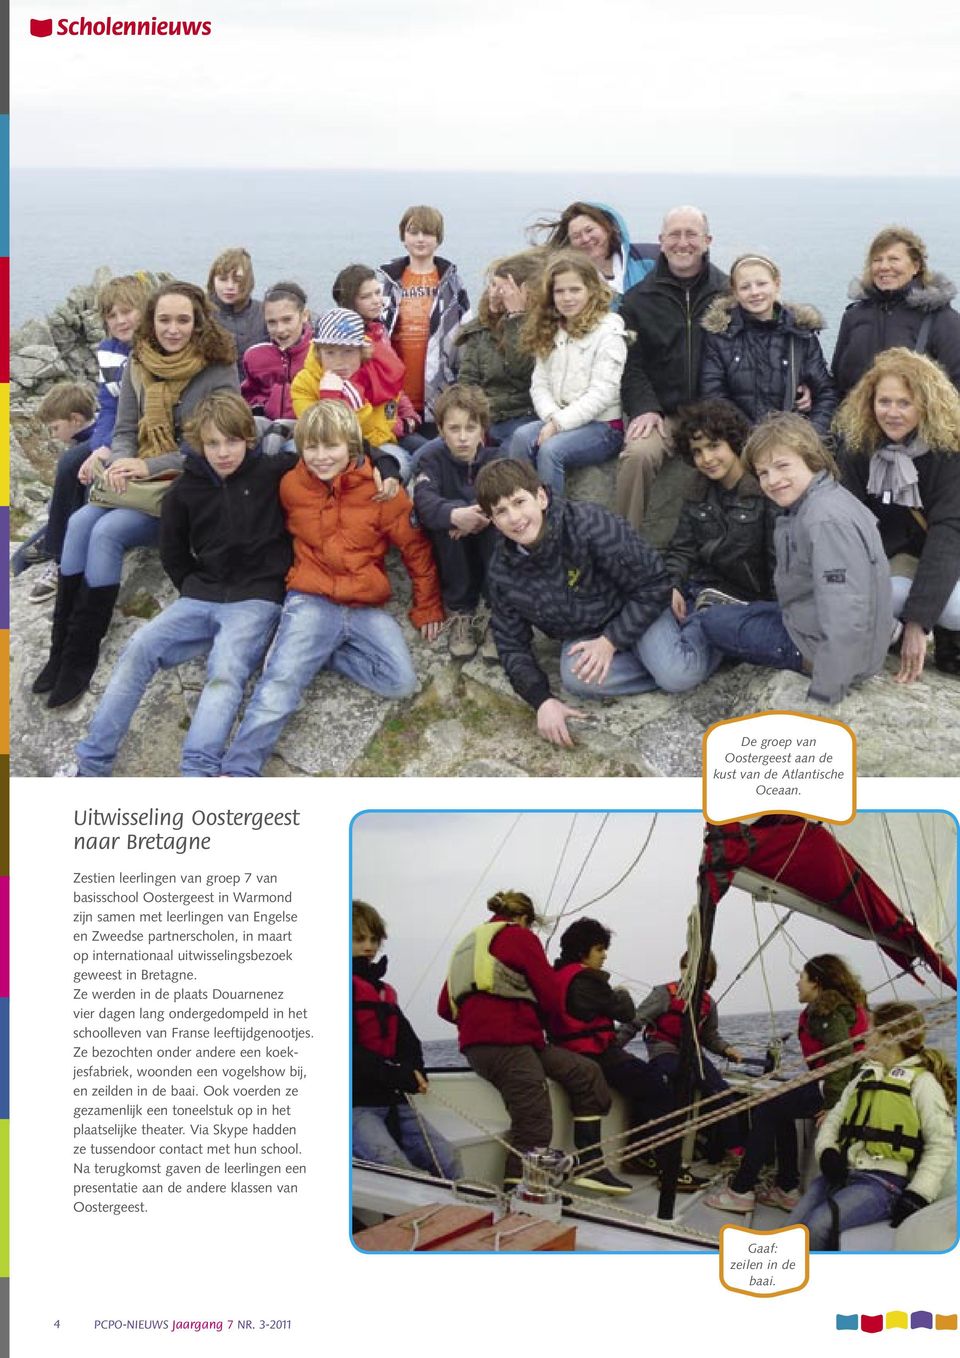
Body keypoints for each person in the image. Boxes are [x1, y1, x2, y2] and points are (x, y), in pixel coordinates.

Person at [33, 281, 239, 709]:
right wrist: (123, 462)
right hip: (139, 478)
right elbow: (125, 429)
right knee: (78, 521)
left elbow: (216, 444)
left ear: (198, 321)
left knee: (107, 531)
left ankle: (81, 654)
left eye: (183, 320)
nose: (173, 329)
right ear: (152, 321)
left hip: (186, 484)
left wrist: (149, 466)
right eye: (164, 319)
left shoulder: (218, 369)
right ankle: (60, 647)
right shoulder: (138, 364)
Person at [73, 392, 295, 777]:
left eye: (232, 441)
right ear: (199, 444)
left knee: (225, 672)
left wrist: (389, 467)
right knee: (139, 647)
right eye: (212, 443)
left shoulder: (273, 471)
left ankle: (198, 772)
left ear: (248, 438)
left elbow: (335, 454)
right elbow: (173, 551)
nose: (223, 452)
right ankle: (91, 766)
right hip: (200, 597)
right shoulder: (185, 490)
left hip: (256, 600)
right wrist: (192, 586)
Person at [218, 401, 443, 777]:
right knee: (281, 683)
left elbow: (415, 549)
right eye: (312, 448)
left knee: (400, 681)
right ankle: (239, 770)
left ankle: (324, 653)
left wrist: (428, 606)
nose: (321, 458)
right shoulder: (291, 485)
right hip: (311, 598)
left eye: (332, 447)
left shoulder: (382, 491)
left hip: (364, 604)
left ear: (352, 447)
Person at [474, 458, 712, 750]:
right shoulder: (501, 571)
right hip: (584, 628)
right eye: (501, 511)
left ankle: (707, 623)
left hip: (634, 607)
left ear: (541, 497)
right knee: (576, 679)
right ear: (493, 521)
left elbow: (653, 584)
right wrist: (541, 700)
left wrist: (610, 642)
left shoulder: (589, 523)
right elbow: (511, 643)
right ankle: (660, 659)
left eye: (519, 502)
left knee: (678, 674)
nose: (514, 517)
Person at [437, 890, 630, 1194]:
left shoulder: (469, 945)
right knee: (534, 1120)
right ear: (525, 918)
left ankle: (591, 1166)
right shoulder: (519, 936)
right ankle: (522, 1195)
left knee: (586, 1072)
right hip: (508, 1045)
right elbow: (551, 995)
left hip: (492, 1046)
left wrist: (481, 1021)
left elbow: (444, 1008)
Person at [697, 413, 893, 704]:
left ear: (811, 459)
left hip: (822, 649)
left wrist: (827, 688)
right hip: (806, 619)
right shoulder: (824, 498)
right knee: (726, 612)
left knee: (712, 623)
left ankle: (807, 663)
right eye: (763, 473)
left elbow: (846, 609)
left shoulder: (823, 520)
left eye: (782, 466)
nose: (772, 480)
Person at [548, 918, 707, 1192]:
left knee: (642, 1083)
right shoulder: (586, 979)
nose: (604, 955)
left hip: (569, 1051)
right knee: (660, 1086)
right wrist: (620, 992)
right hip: (593, 1052)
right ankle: (672, 1169)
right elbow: (626, 1012)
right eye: (599, 949)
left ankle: (639, 1156)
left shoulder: (558, 976)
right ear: (582, 950)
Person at [706, 955, 869, 1213]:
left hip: (842, 1089)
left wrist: (833, 1105)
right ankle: (786, 1188)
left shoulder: (825, 1010)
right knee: (778, 1107)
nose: (797, 983)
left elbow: (841, 1055)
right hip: (853, 1086)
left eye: (801, 977)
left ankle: (741, 1190)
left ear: (816, 982)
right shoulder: (844, 1005)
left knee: (767, 1108)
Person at [833, 347, 960, 679]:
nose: (892, 413)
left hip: (943, 557)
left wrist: (919, 621)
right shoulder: (859, 449)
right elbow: (848, 528)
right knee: (881, 603)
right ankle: (892, 633)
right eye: (884, 401)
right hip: (891, 557)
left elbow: (947, 536)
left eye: (904, 403)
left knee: (955, 610)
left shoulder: (948, 454)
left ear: (926, 404)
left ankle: (948, 638)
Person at [788, 1002, 956, 1249]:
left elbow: (940, 1145)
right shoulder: (864, 1076)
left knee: (818, 1226)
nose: (864, 1036)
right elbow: (834, 1119)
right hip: (842, 1173)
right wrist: (827, 1152)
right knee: (793, 1228)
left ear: (888, 1037)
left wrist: (918, 1194)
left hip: (882, 1184)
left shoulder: (923, 1084)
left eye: (870, 1030)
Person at [25, 275, 150, 604]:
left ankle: (65, 553)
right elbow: (108, 404)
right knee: (74, 462)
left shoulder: (152, 351)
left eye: (127, 311)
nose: (120, 320)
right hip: (114, 432)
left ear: (144, 310)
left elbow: (144, 413)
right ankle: (59, 556)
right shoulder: (108, 350)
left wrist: (107, 447)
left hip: (141, 436)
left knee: (74, 461)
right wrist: (99, 445)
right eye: (112, 315)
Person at [616, 206, 728, 536]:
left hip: (717, 411)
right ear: (661, 242)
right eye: (674, 235)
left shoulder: (728, 294)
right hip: (663, 415)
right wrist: (645, 407)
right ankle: (622, 551)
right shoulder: (638, 300)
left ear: (707, 241)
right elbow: (630, 365)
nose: (683, 243)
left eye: (691, 234)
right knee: (637, 455)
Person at [352, 900, 461, 1180]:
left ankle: (461, 1217)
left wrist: (415, 1070)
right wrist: (395, 1075)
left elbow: (407, 1040)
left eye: (374, 939)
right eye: (359, 939)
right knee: (398, 1171)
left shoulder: (383, 992)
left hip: (392, 1100)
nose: (369, 946)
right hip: (356, 1105)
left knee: (448, 1159)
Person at [509, 251, 627, 495]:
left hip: (603, 427)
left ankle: (553, 520)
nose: (567, 298)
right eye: (560, 291)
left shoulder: (609, 332)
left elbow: (602, 393)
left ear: (591, 291)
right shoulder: (551, 330)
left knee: (552, 450)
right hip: (559, 418)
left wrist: (558, 425)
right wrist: (553, 417)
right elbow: (539, 384)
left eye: (575, 290)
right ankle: (521, 505)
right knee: (521, 437)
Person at [618, 950, 745, 1165]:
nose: (692, 974)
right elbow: (634, 1022)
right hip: (664, 1050)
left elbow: (709, 1036)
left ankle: (732, 1150)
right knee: (666, 1085)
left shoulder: (708, 1004)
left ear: (708, 977)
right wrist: (612, 1048)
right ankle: (647, 1150)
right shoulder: (664, 993)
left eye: (700, 972)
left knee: (720, 1092)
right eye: (687, 967)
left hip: (693, 1054)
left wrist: (726, 1049)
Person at [699, 253, 837, 435]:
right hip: (743, 444)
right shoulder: (721, 336)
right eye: (745, 287)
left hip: (795, 444)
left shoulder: (800, 333)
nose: (755, 292)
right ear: (735, 291)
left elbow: (825, 394)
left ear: (776, 284)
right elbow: (714, 398)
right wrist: (755, 441)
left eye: (762, 284)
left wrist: (811, 438)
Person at [411, 384, 501, 660]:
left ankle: (495, 612)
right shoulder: (431, 458)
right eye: (454, 429)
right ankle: (460, 610)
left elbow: (512, 494)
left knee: (501, 526)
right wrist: (455, 515)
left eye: (471, 428)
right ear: (440, 430)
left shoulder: (496, 458)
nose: (463, 437)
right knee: (445, 526)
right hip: (453, 555)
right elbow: (423, 500)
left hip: (487, 547)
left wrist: (485, 515)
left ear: (482, 429)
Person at [664, 399, 776, 614]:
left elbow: (777, 562)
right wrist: (673, 585)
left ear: (733, 443)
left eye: (713, 446)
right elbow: (682, 549)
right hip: (703, 591)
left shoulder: (763, 489)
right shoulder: (696, 491)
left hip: (752, 602)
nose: (706, 459)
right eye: (697, 451)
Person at [831, 226, 960, 399]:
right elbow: (837, 381)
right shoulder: (853, 317)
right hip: (855, 424)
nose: (884, 267)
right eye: (877, 260)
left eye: (893, 259)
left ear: (916, 266)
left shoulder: (941, 319)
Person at [377, 204, 470, 430]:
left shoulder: (452, 283)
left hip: (440, 388)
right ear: (403, 236)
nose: (420, 239)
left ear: (438, 238)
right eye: (413, 232)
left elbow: (465, 336)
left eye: (428, 233)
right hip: (393, 390)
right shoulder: (386, 282)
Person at [290, 308, 407, 484]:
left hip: (375, 445)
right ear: (318, 354)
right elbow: (316, 433)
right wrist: (330, 399)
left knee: (399, 465)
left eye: (348, 351)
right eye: (330, 352)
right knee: (289, 454)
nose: (339, 361)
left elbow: (382, 431)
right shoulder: (304, 382)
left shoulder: (383, 378)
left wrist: (355, 405)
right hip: (322, 447)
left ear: (362, 352)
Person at [455, 251, 543, 446]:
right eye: (493, 285)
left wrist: (516, 317)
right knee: (428, 455)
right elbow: (467, 382)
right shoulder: (480, 327)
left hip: (522, 417)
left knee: (501, 459)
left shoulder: (539, 328)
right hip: (484, 418)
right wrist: (472, 422)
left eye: (503, 289)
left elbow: (521, 370)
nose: (493, 294)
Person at [331, 264, 422, 450]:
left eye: (378, 292)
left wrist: (409, 415)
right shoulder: (345, 345)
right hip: (367, 434)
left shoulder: (379, 331)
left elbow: (392, 383)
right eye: (366, 296)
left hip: (391, 422)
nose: (377, 301)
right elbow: (362, 400)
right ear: (349, 301)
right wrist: (399, 425)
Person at [25, 381, 98, 603]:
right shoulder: (81, 441)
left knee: (68, 465)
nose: (54, 435)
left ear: (76, 419)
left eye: (55, 427)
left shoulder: (91, 443)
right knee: (22, 557)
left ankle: (59, 557)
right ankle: (49, 543)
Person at [530, 201, 657, 296]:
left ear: (607, 228)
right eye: (576, 236)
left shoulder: (647, 260)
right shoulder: (568, 277)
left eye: (589, 230)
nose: (585, 239)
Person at [240, 281, 312, 421]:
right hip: (267, 425)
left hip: (307, 430)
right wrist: (262, 406)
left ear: (304, 315)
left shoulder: (319, 353)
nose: (280, 329)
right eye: (272, 322)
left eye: (287, 320)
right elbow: (248, 394)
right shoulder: (254, 356)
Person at [206, 246, 268, 366]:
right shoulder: (202, 312)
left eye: (237, 280)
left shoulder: (264, 313)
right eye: (223, 279)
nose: (230, 286)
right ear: (213, 281)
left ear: (248, 280)